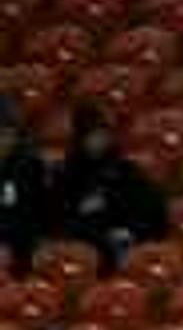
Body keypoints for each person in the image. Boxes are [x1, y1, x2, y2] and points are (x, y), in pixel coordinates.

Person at [48, 109, 166, 274]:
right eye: (92, 136)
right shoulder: (65, 174)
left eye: (103, 135)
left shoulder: (127, 170)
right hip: (85, 252)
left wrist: (130, 230)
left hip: (128, 243)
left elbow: (152, 209)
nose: (98, 141)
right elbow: (58, 219)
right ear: (80, 139)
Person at [0, 109, 44, 274]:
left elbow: (35, 208)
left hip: (19, 234)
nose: (4, 140)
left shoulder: (29, 166)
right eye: (1, 135)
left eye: (9, 135)